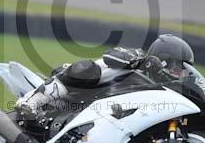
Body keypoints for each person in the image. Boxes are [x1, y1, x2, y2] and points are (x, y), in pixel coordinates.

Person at [15, 34, 194, 121]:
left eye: (183, 70)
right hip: (77, 93)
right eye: (177, 67)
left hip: (97, 114)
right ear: (164, 59)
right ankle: (33, 100)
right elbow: (110, 57)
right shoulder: (137, 59)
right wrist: (133, 60)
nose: (179, 74)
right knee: (89, 69)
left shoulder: (158, 90)